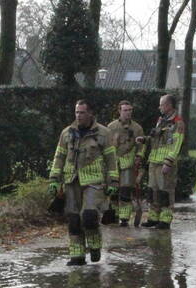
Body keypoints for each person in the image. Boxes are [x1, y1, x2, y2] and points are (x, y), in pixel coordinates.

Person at [49, 100, 118, 265]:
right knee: (73, 219)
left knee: (89, 216)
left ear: (90, 113)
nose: (78, 116)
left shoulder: (103, 133)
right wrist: (54, 179)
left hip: (94, 181)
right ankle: (77, 255)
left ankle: (94, 245)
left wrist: (113, 182)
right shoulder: (67, 133)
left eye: (82, 112)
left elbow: (111, 159)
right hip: (71, 180)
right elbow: (59, 157)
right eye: (76, 112)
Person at [136, 94, 185, 229]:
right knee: (153, 191)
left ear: (169, 105)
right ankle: (153, 218)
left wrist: (169, 161)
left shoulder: (178, 123)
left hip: (165, 163)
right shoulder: (161, 120)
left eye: (161, 104)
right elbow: (155, 138)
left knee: (165, 192)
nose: (159, 107)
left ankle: (165, 220)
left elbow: (177, 144)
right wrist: (145, 139)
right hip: (154, 161)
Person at [106, 101, 144, 227]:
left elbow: (142, 146)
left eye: (130, 110)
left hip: (128, 163)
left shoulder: (137, 128)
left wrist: (139, 156)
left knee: (125, 190)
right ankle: (114, 215)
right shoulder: (111, 127)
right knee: (113, 191)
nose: (128, 113)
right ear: (119, 111)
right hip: (113, 163)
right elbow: (105, 145)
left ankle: (124, 218)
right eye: (125, 110)